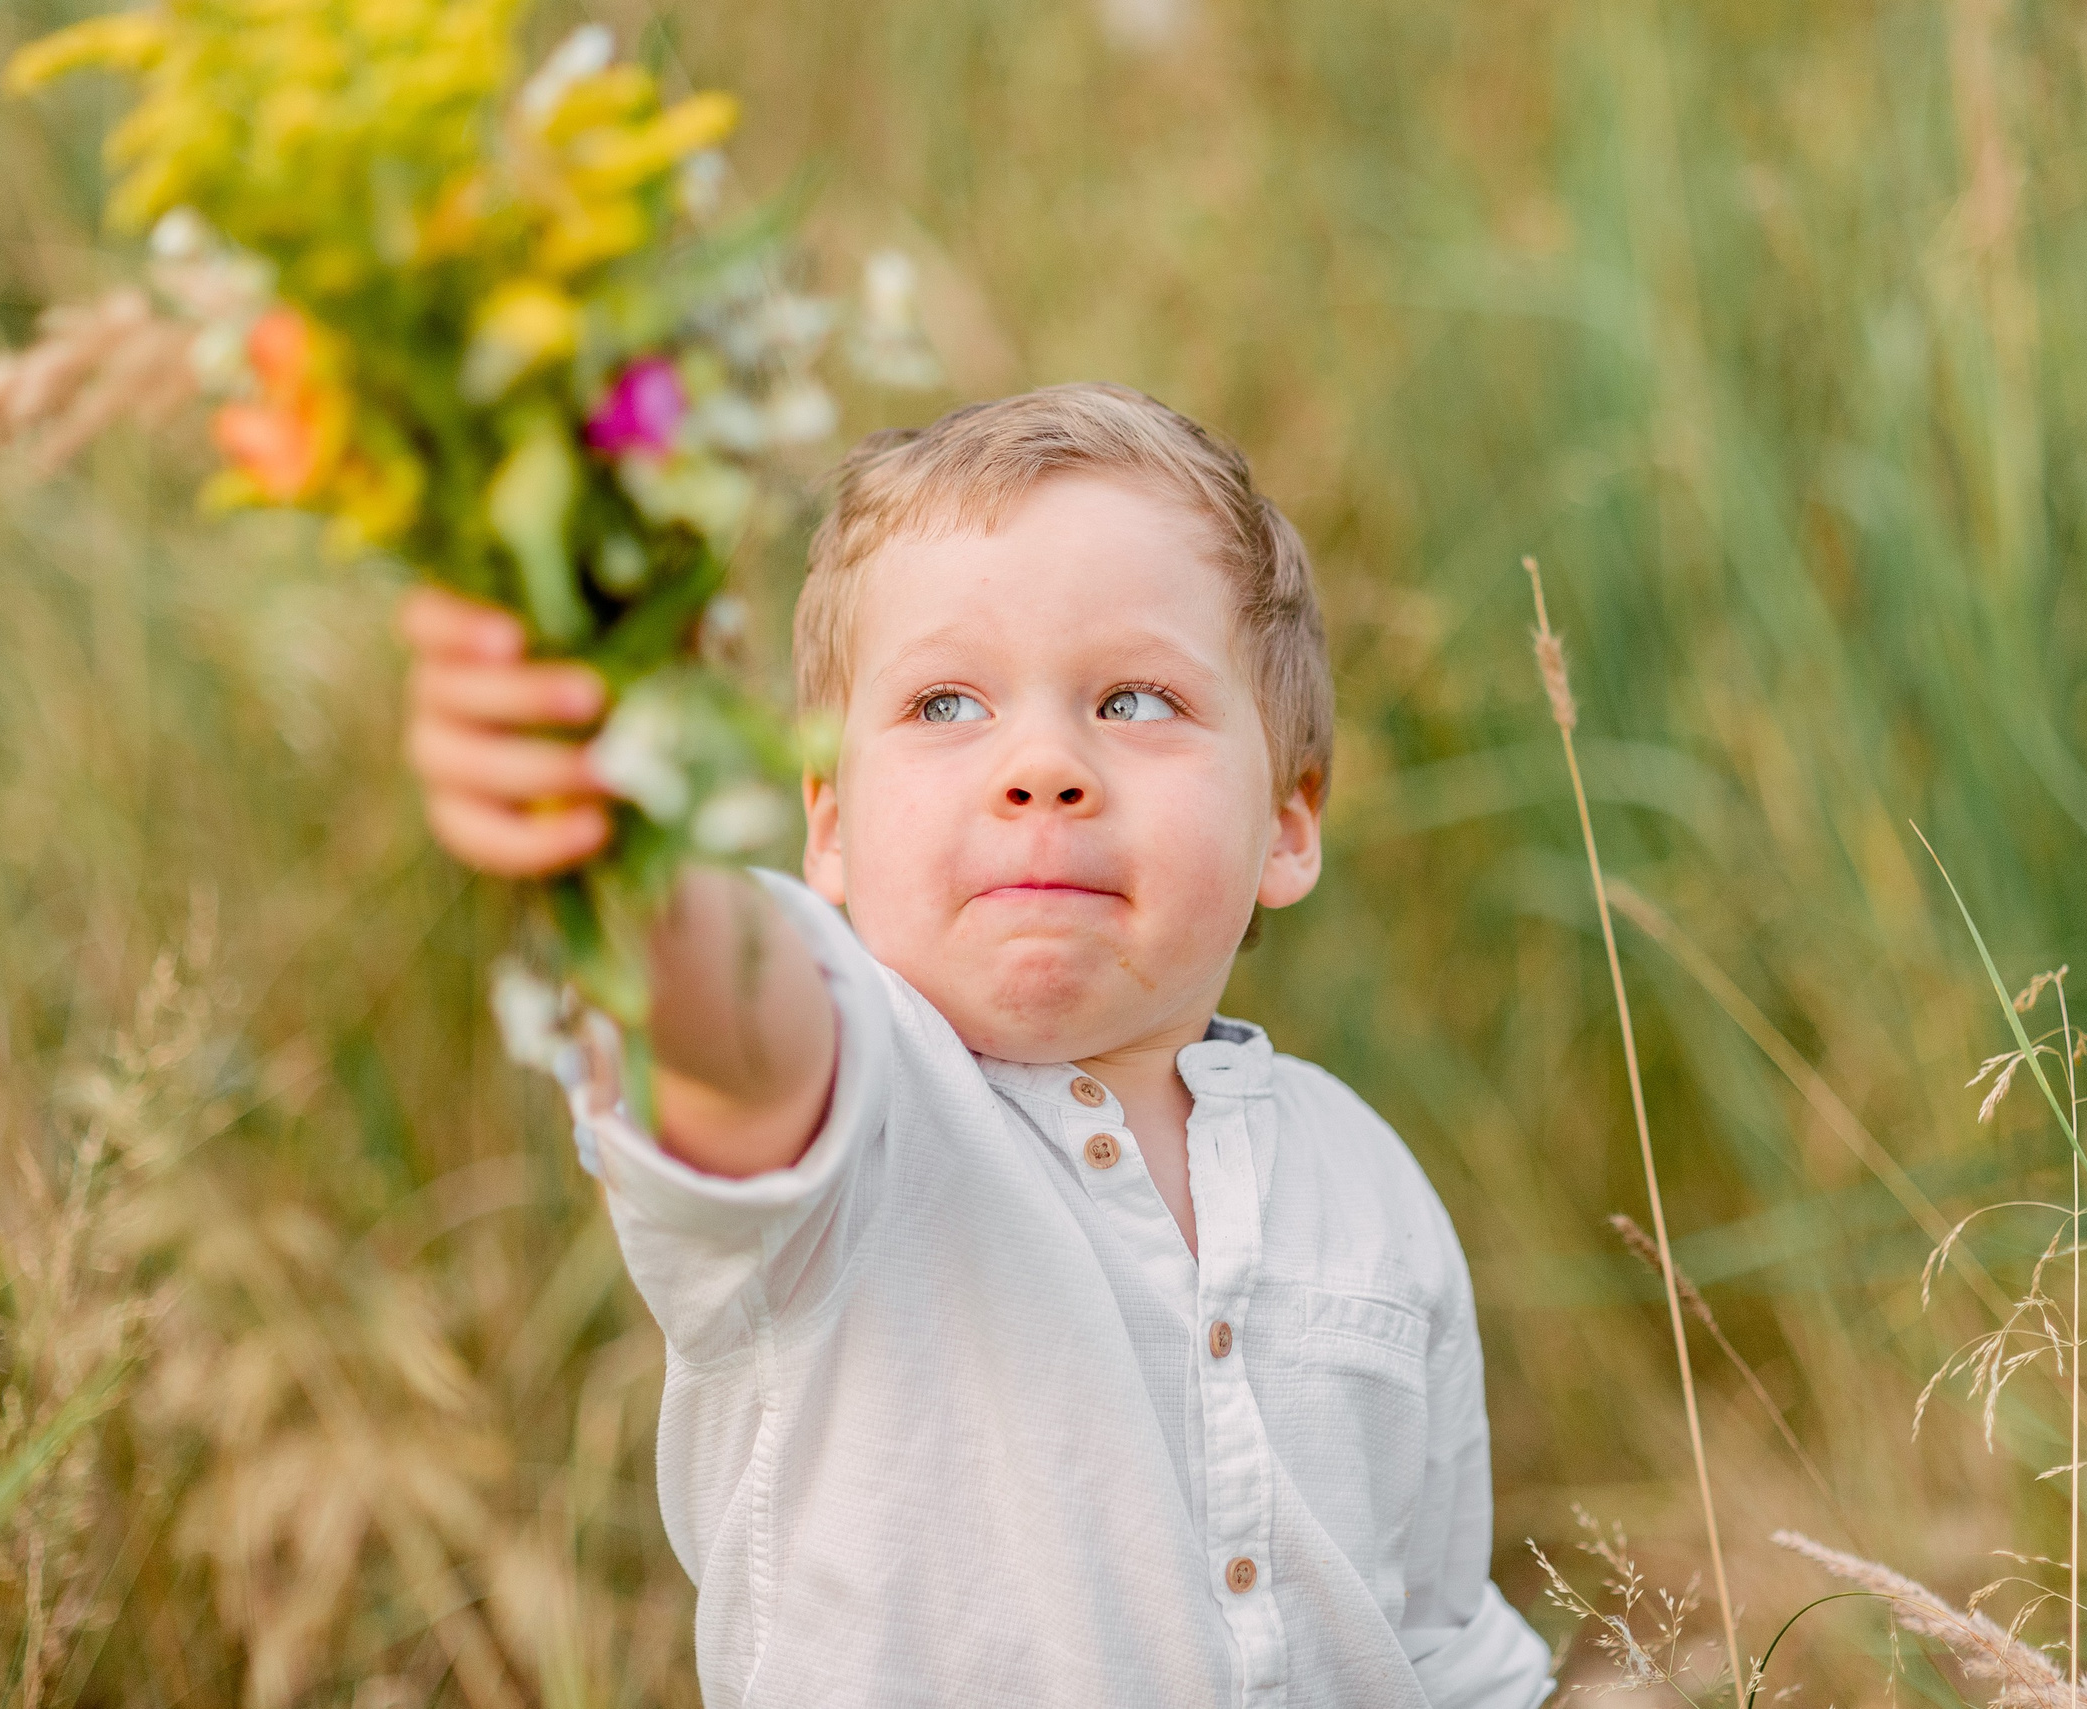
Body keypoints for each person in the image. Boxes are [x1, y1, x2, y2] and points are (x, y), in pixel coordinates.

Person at [396, 382, 1554, 1707]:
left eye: (1136, 700)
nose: (1043, 765)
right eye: (947, 705)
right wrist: (607, 827)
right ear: (830, 826)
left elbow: (1446, 1650)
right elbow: (727, 1007)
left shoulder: (1369, 1182)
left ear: (1286, 824)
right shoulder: (857, 1113)